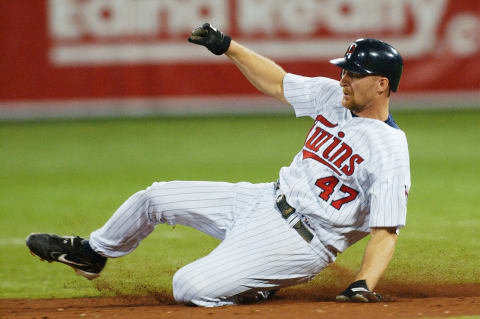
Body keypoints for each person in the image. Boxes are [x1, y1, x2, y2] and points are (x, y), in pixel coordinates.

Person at [26, 23, 411, 307]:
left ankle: (255, 287)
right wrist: (229, 46)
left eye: (354, 74)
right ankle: (94, 253)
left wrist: (363, 283)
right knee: (155, 198)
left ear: (381, 85)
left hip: (301, 242)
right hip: (262, 199)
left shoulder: (389, 148)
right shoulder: (332, 97)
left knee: (189, 287)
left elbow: (386, 231)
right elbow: (277, 83)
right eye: (343, 69)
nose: (343, 78)